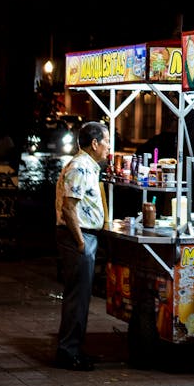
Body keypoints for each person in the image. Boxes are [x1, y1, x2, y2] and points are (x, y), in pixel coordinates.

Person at [54, 119, 110, 370]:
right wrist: (79, 243)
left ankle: (75, 349)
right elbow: (69, 207)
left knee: (81, 297)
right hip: (78, 237)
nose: (109, 147)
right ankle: (68, 352)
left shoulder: (89, 166)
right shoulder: (80, 167)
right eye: (106, 141)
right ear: (95, 143)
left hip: (84, 236)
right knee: (77, 297)